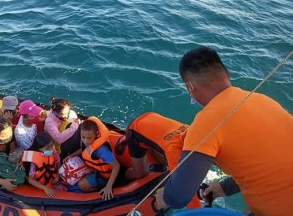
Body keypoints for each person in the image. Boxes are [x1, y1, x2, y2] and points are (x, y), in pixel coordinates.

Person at [154, 46, 293, 216]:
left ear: (190, 87)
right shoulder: (264, 101)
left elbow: (179, 196)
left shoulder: (206, 120)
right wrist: (223, 188)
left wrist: (165, 197)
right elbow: (269, 164)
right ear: (226, 74)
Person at [124, 112, 201, 208]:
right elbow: (184, 191)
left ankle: (150, 148)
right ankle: (123, 178)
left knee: (162, 155)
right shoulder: (173, 150)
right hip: (135, 130)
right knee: (139, 173)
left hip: (152, 119)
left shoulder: (199, 135)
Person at [67, 117, 120, 200]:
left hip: (104, 176)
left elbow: (116, 166)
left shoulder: (102, 150)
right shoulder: (87, 141)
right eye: (83, 137)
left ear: (96, 135)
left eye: (89, 138)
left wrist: (108, 186)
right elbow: (85, 150)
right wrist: (72, 155)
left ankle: (99, 190)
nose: (86, 141)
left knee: (81, 185)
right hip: (94, 169)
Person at [22, 132, 66, 197]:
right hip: (41, 186)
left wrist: (57, 176)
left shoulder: (54, 152)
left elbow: (58, 163)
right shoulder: (33, 161)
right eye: (47, 148)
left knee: (65, 190)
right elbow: (30, 180)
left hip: (54, 181)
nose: (51, 149)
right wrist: (44, 188)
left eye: (52, 145)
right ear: (39, 149)